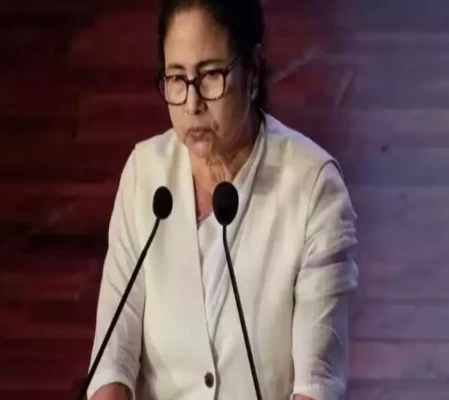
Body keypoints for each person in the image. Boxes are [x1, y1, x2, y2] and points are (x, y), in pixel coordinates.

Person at [86, 0, 359, 399]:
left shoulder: (313, 189)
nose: (192, 104)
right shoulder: (145, 175)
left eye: (211, 75)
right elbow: (112, 361)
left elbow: (316, 386)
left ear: (253, 72)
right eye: (176, 78)